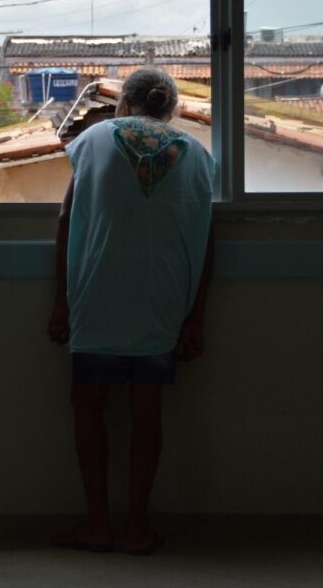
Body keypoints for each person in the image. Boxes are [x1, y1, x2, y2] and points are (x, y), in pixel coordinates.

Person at [47, 67, 215, 556]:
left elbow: (66, 219)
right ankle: (137, 529)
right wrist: (196, 316)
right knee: (147, 414)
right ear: (172, 108)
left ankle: (98, 525)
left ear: (125, 102)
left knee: (88, 408)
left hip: (98, 291)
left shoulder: (94, 138)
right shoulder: (196, 153)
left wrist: (60, 301)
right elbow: (207, 238)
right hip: (163, 296)